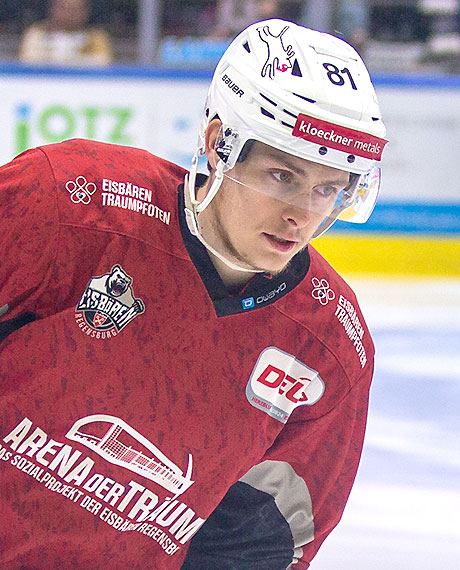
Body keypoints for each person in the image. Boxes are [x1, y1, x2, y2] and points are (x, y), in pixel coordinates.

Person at [0, 18, 388, 570]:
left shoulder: (329, 348)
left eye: (327, 189)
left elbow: (256, 547)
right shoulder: (69, 203)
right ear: (217, 144)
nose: (302, 215)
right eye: (282, 176)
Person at [19, 0, 112, 65]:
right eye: (64, 8)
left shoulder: (96, 38)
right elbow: (28, 61)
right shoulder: (36, 34)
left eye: (75, 9)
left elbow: (102, 64)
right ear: (53, 8)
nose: (70, 14)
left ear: (85, 11)